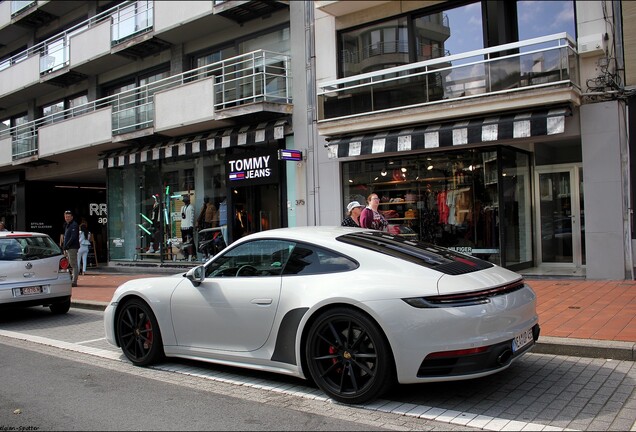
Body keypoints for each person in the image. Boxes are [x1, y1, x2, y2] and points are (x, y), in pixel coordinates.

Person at [62, 210, 80, 287]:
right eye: (66, 216)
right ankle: (71, 279)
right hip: (68, 248)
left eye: (69, 216)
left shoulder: (74, 225)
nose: (67, 218)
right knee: (69, 263)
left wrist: (67, 245)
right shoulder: (67, 225)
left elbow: (73, 237)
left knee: (73, 264)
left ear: (72, 217)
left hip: (72, 247)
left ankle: (74, 281)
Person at [180, 194, 195, 260]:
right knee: (184, 242)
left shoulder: (191, 207)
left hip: (189, 226)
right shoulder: (182, 208)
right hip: (183, 226)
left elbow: (192, 217)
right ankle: (186, 255)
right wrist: (181, 225)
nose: (185, 201)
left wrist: (191, 225)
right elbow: (182, 217)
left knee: (190, 241)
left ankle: (193, 255)